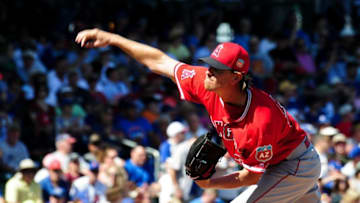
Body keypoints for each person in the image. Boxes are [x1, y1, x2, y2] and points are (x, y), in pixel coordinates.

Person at [75, 28, 321, 202]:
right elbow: (160, 62)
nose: (209, 71)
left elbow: (251, 177)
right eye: (211, 64)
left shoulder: (258, 122)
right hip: (281, 163)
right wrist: (113, 38)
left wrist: (210, 183)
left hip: (293, 165)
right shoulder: (206, 82)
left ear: (236, 77)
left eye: (218, 69)